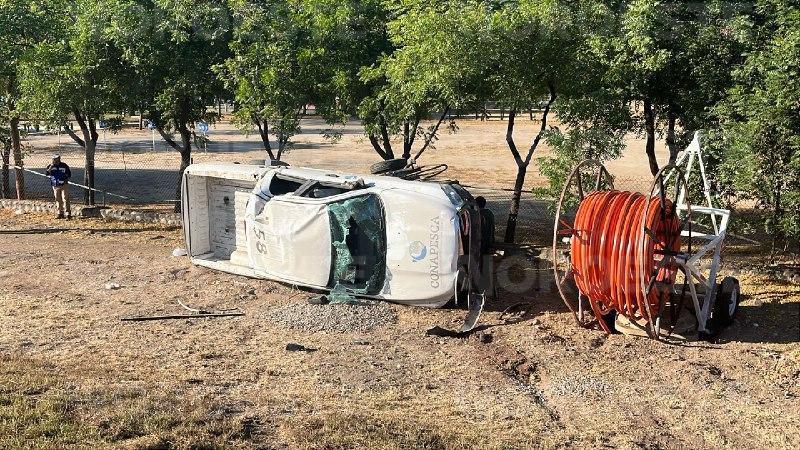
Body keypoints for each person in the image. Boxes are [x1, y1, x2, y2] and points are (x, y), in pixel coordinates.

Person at [46, 154, 71, 219]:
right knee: (58, 199)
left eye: (56, 159)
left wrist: (65, 180)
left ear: (59, 159)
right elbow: (47, 174)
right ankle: (60, 213)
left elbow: (69, 174)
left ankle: (68, 214)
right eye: (53, 159)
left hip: (64, 185)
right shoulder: (50, 166)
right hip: (55, 185)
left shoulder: (64, 165)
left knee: (65, 199)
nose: (55, 161)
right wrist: (50, 168)